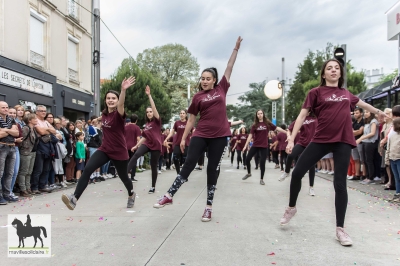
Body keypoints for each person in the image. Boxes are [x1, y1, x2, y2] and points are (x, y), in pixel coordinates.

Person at [282, 59, 387, 246]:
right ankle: (291, 207)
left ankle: (341, 229)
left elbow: (363, 105)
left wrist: (379, 112)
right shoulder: (315, 93)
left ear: (340, 73)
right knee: (297, 172)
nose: (333, 70)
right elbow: (302, 116)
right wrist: (291, 139)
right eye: (329, 68)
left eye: (336, 68)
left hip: (343, 141)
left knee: (340, 184)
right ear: (323, 74)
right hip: (321, 139)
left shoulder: (346, 94)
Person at [153, 37, 243, 223]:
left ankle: (208, 208)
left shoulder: (222, 89)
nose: (204, 81)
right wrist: (184, 138)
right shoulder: (197, 97)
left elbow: (229, 67)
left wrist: (235, 49)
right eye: (202, 78)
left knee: (212, 169)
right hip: (201, 134)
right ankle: (169, 195)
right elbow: (192, 119)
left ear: (214, 80)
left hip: (220, 136)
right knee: (189, 164)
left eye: (208, 79)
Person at [62, 76, 136, 210]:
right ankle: (74, 198)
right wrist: (95, 121)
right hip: (105, 149)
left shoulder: (119, 114)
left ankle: (131, 194)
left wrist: (123, 90)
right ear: (105, 100)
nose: (111, 100)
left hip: (119, 151)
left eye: (113, 98)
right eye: (108, 98)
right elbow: (103, 116)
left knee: (124, 178)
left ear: (117, 100)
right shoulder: (105, 113)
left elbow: (121, 105)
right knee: (87, 170)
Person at [127, 85, 162, 193]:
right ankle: (125, 172)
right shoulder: (147, 124)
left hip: (156, 145)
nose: (149, 113)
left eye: (150, 111)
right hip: (147, 143)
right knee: (137, 154)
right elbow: (144, 137)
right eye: (147, 112)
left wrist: (149, 95)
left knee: (153, 165)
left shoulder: (157, 121)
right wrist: (136, 145)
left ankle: (153, 186)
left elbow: (154, 107)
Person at [242, 110, 287, 185]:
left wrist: (285, 132)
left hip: (264, 146)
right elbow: (250, 135)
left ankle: (261, 179)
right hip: (255, 145)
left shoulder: (267, 123)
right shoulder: (254, 125)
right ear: (256, 115)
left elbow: (276, 128)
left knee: (262, 162)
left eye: (261, 113)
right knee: (247, 159)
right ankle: (249, 173)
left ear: (263, 114)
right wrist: (245, 145)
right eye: (258, 114)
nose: (260, 115)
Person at [280, 113, 318, 196]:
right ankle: (286, 172)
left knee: (312, 166)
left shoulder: (316, 117)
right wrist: (289, 136)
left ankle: (311, 187)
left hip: (312, 144)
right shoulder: (301, 118)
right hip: (301, 142)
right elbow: (289, 130)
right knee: (290, 155)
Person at [0, 101, 20, 204]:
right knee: (0, 173)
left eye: (7, 107)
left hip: (12, 147)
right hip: (1, 147)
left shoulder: (11, 119)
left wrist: (4, 130)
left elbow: (16, 133)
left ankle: (7, 194)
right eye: (3, 107)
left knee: (10, 173)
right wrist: (10, 130)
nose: (6, 109)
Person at [17, 113, 38, 197]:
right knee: (23, 171)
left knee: (29, 172)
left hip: (33, 151)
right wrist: (24, 148)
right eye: (35, 119)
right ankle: (23, 189)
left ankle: (28, 187)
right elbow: (21, 139)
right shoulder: (26, 128)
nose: (36, 120)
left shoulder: (34, 129)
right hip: (26, 152)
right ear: (29, 120)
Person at [164, 110, 190, 174]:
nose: (182, 114)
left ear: (186, 115)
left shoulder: (188, 123)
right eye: (181, 113)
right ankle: (179, 174)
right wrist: (166, 139)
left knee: (186, 160)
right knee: (175, 158)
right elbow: (172, 132)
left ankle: (185, 174)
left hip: (186, 144)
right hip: (178, 143)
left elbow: (193, 131)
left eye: (183, 113)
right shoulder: (177, 123)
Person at [357, 110, 379, 185]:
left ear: (371, 113)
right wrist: (359, 139)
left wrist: (361, 138)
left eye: (367, 112)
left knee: (369, 160)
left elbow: (372, 133)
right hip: (365, 142)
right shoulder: (366, 122)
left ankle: (371, 177)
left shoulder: (373, 121)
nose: (365, 113)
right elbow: (365, 133)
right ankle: (367, 176)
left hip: (371, 143)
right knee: (365, 160)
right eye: (365, 112)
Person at [386, 117, 400, 202]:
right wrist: (387, 158)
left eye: (393, 124)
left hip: (399, 158)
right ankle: (397, 194)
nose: (392, 126)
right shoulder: (392, 135)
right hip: (392, 158)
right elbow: (388, 146)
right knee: (396, 177)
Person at [349, 107, 364, 180]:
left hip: (361, 142)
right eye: (354, 113)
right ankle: (357, 174)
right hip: (354, 142)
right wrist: (356, 132)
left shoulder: (363, 121)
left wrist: (355, 132)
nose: (355, 114)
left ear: (361, 113)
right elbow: (351, 132)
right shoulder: (354, 123)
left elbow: (360, 132)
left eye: (357, 113)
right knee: (356, 159)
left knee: (362, 160)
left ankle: (364, 174)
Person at [125, 114, 141, 181]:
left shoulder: (125, 127)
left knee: (126, 161)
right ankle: (132, 176)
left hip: (125, 146)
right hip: (133, 147)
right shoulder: (137, 128)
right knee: (133, 161)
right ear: (136, 120)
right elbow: (138, 138)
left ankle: (125, 176)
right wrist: (140, 145)